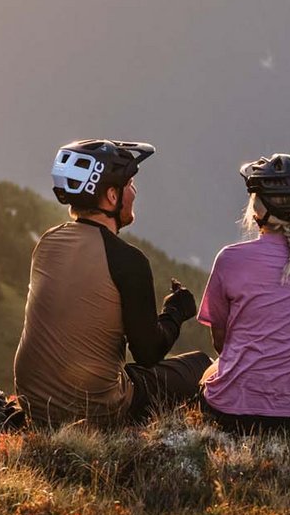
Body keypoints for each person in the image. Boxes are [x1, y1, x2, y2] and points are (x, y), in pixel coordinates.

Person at [12, 138, 211, 427]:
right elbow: (147, 353)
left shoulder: (48, 242)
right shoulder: (128, 260)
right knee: (201, 367)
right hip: (98, 410)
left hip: (35, 405)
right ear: (111, 196)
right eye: (129, 184)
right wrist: (176, 312)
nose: (134, 191)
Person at [196, 153, 290, 436]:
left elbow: (220, 341)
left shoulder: (229, 259)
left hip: (230, 414)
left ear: (257, 208)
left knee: (209, 372)